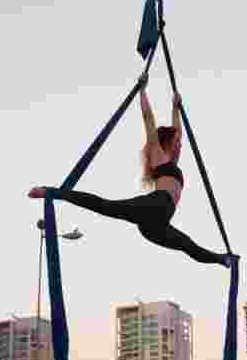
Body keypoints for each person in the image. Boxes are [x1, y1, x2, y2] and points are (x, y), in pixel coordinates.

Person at [29, 73, 235, 267]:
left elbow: (178, 133)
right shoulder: (157, 153)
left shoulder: (172, 161)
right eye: (176, 141)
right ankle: (50, 191)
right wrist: (143, 90)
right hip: (154, 206)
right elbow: (148, 118)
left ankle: (223, 260)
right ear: (168, 141)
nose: (180, 143)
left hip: (156, 226)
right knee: (105, 206)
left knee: (188, 246)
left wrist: (175, 107)